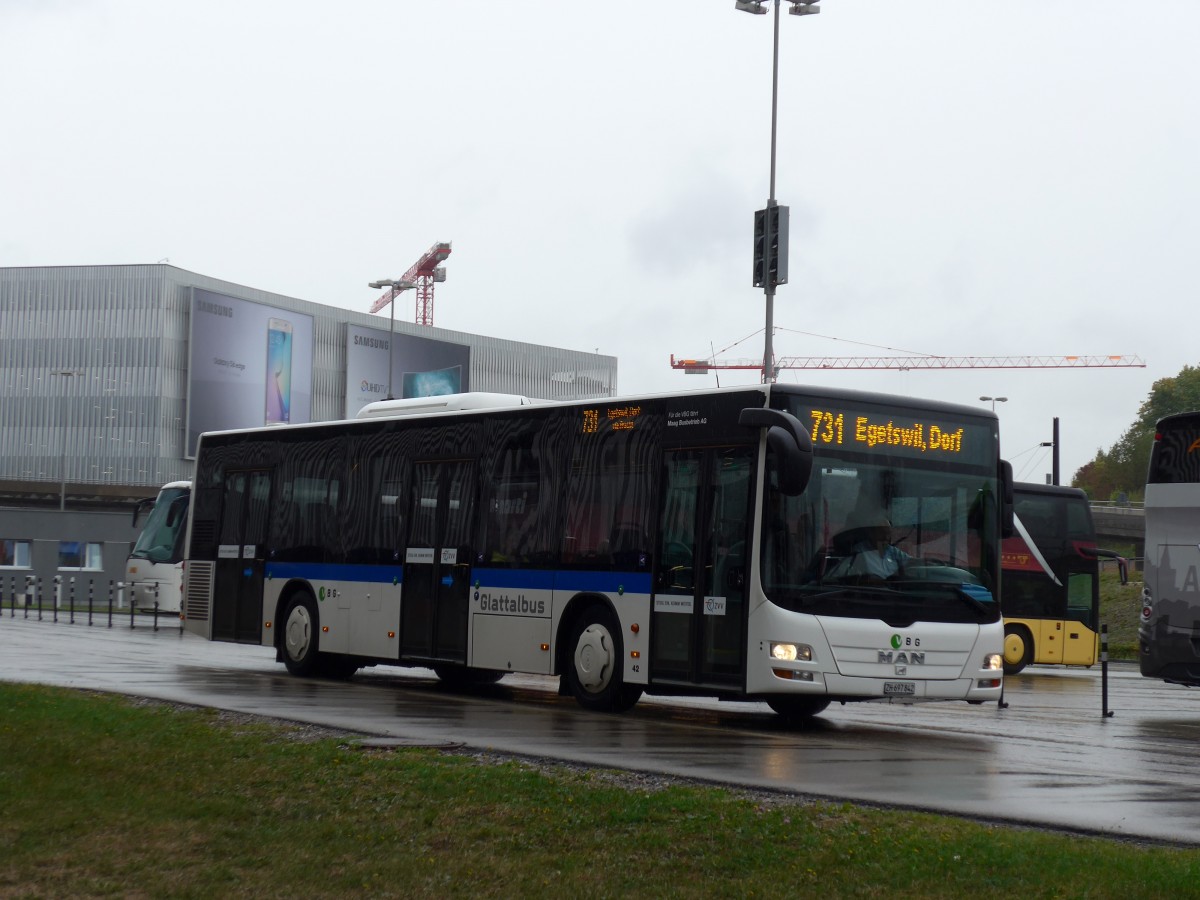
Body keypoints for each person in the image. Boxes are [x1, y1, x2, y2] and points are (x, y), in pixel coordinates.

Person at [826, 506, 909, 582]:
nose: (886, 537)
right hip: (870, 594)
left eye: (888, 533)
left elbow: (911, 562)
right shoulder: (859, 552)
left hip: (895, 593)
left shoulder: (893, 551)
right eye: (882, 533)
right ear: (871, 533)